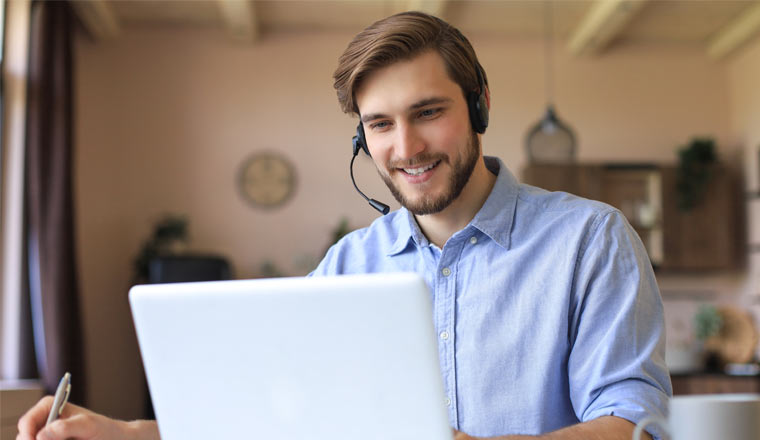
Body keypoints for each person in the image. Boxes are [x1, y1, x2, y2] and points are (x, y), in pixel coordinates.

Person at [17, 11, 670, 440]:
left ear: (479, 105)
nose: (406, 146)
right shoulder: (348, 265)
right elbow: (279, 420)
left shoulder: (590, 240)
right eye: (380, 125)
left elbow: (633, 423)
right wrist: (126, 434)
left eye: (428, 112)